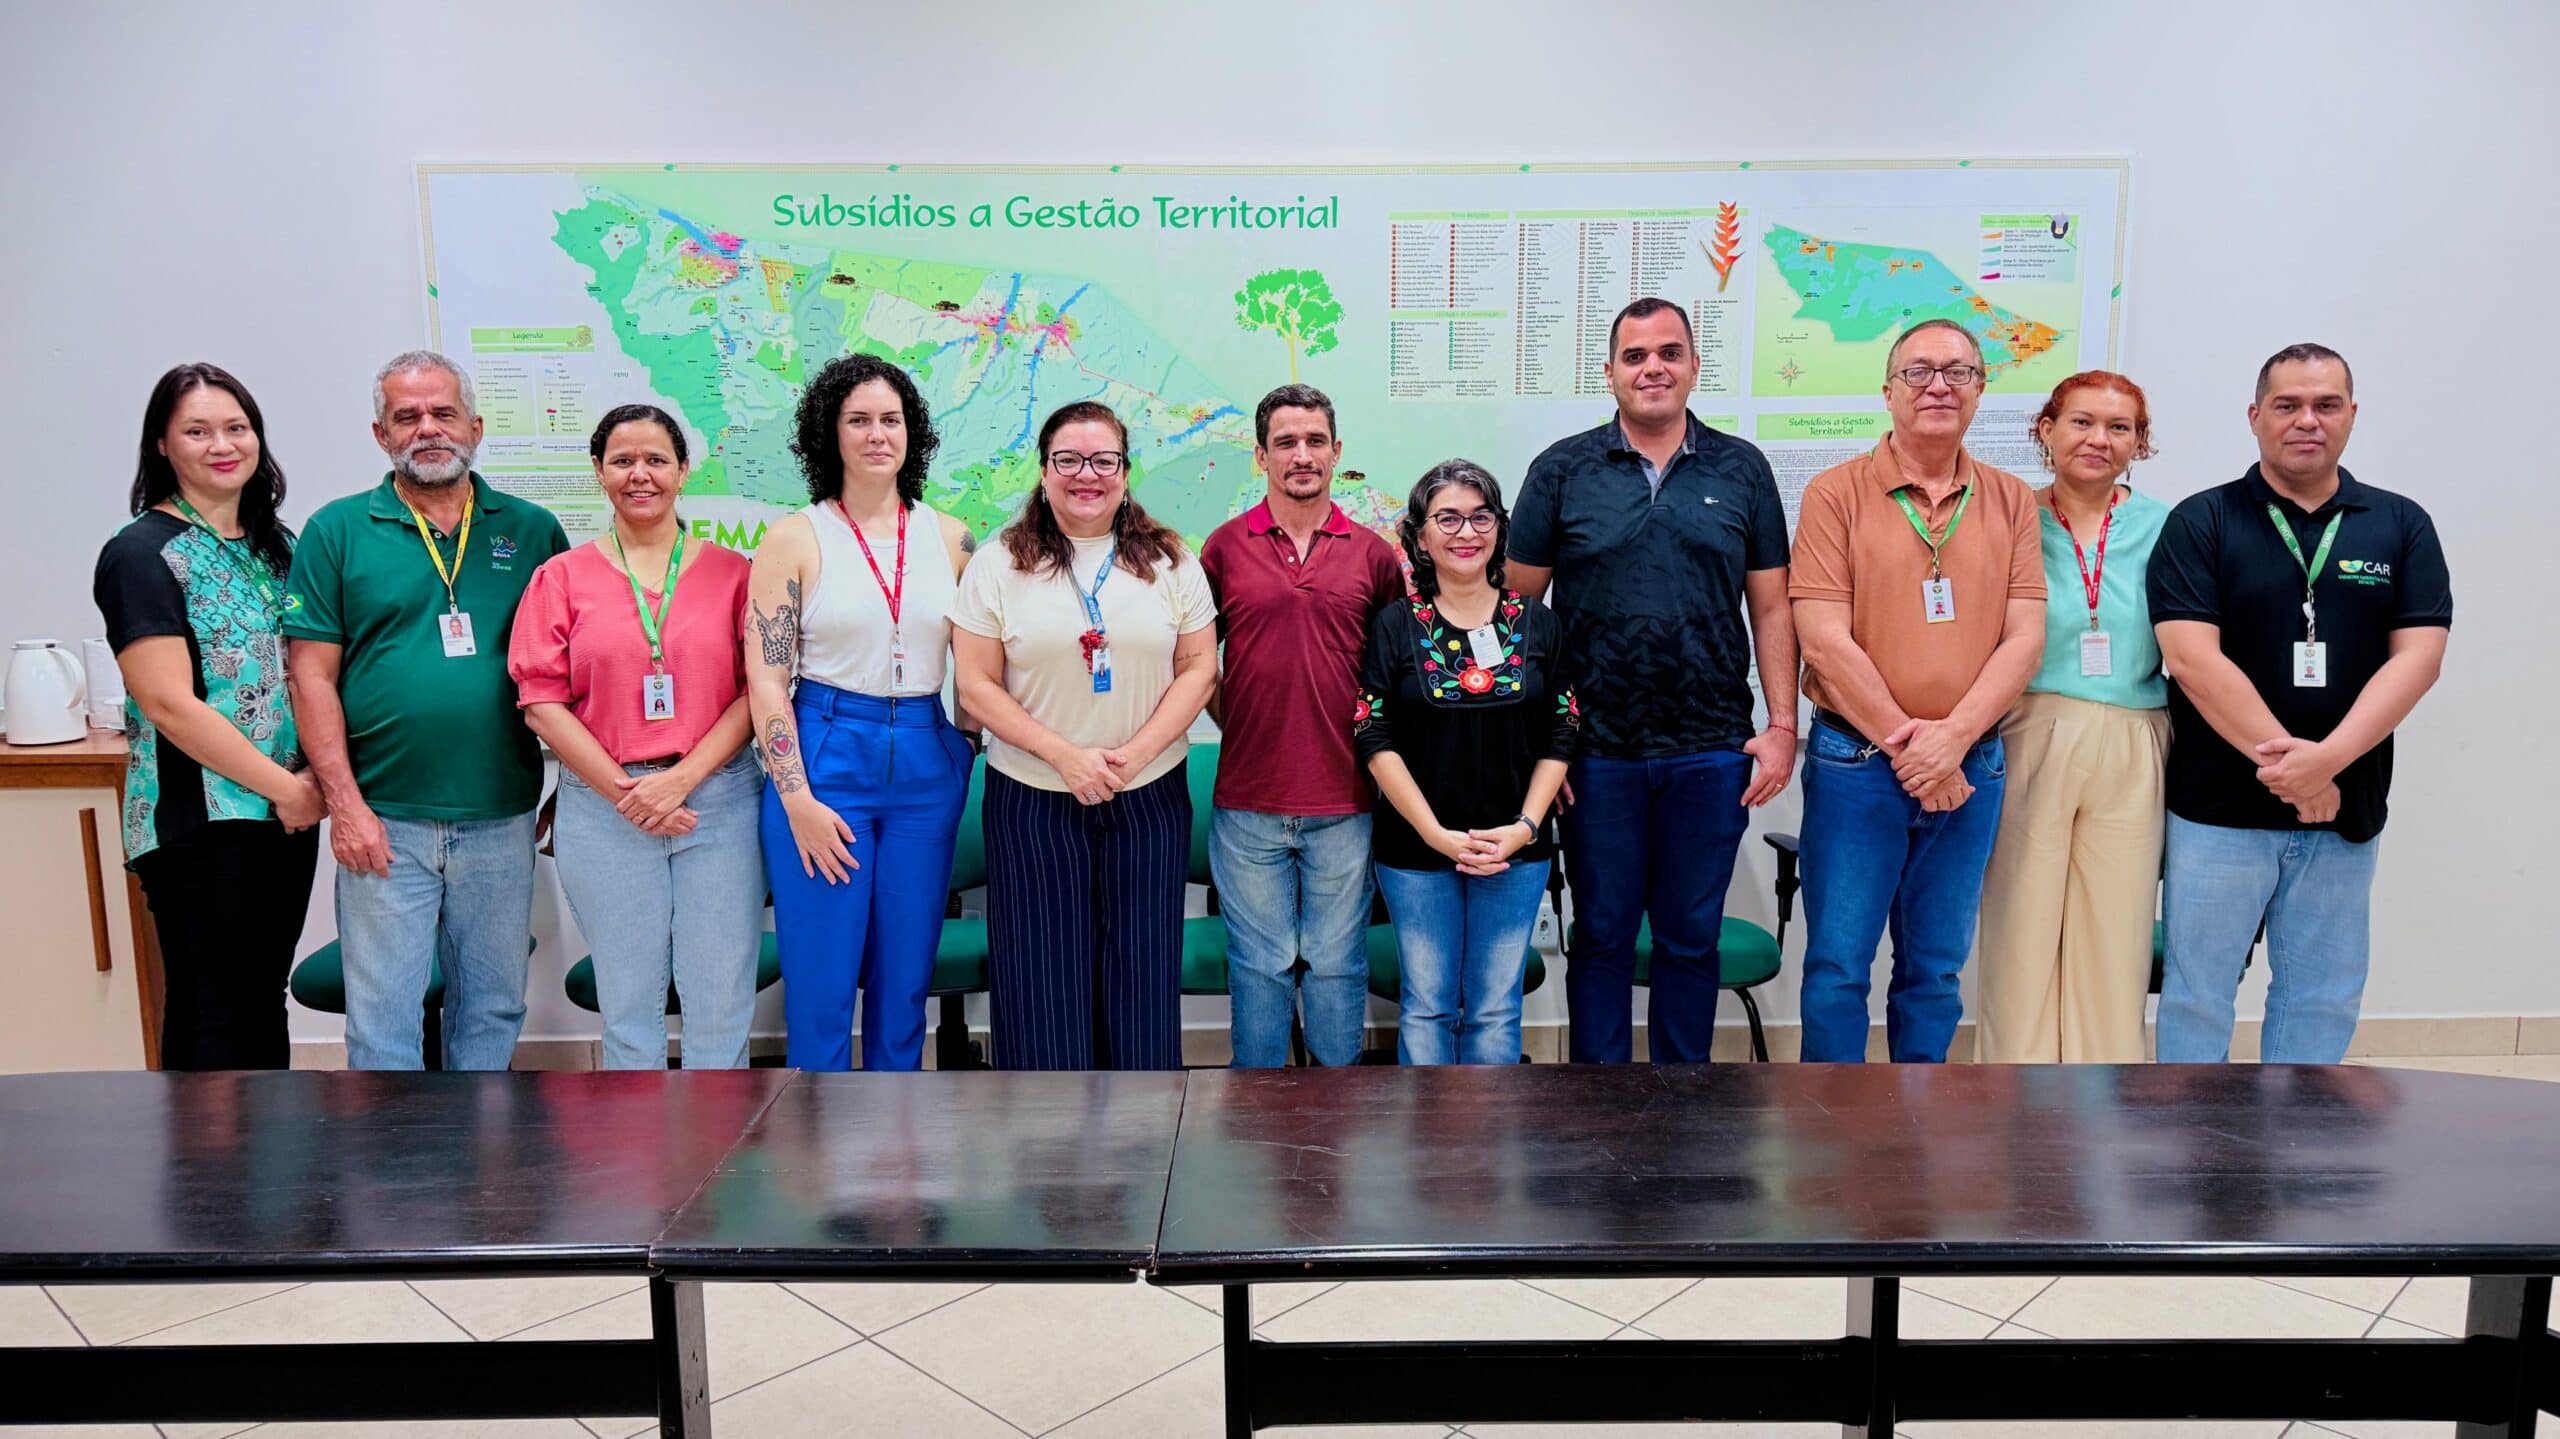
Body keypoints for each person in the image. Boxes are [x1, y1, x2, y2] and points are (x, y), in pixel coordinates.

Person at [1508, 297, 1796, 1065]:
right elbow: (1515, 615)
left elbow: (1771, 609)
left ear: (1695, 366)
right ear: (1610, 373)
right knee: (1599, 934)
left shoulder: (1742, 469)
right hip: (1595, 753)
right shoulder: (1562, 470)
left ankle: (1681, 1105)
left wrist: (1781, 728)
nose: (1653, 368)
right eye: (1635, 356)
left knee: (1689, 938)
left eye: (1669, 352)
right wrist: (1542, 744)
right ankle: (1598, 1104)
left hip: (1710, 748)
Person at [2150, 343, 2451, 1063]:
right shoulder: (2203, 520)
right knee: (2198, 989)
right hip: (2218, 810)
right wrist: (2292, 767)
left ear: (2352, 416)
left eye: (2326, 404)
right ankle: (2196, 1159)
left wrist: (2328, 764)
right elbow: (2192, 657)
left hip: (2346, 808)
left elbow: (2419, 658)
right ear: (2255, 416)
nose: (2306, 420)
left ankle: (2295, 1157)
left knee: (2323, 992)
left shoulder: (2400, 524)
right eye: (2287, 405)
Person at [283, 350, 568, 1070]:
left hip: (500, 814)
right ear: (381, 434)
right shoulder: (337, 530)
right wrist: (344, 805)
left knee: (493, 1003)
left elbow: (570, 674)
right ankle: (393, 1182)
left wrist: (575, 790)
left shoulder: (532, 530)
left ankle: (478, 1167)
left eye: (442, 413)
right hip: (385, 818)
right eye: (406, 416)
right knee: (383, 1018)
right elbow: (309, 675)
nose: (427, 428)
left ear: (474, 425)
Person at [1789, 319, 2047, 1063]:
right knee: (1838, 967)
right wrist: (1914, 747)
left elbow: (2024, 638)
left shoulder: (2010, 501)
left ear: (1981, 389)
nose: (1939, 386)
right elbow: (1824, 640)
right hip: (1857, 764)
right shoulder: (1835, 493)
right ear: (1888, 390)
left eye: (1959, 372)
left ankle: (1919, 1135)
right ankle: (1832, 1138)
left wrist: (1954, 741)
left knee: (1934, 969)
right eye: (1919, 371)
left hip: (1974, 764)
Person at [950, 401, 1218, 1070]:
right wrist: (1066, 756)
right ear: (1044, 471)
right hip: (1033, 797)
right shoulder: (997, 563)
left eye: (1103, 460)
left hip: (1147, 794)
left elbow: (1198, 667)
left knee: (1141, 979)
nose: (1086, 475)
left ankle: (1144, 1146)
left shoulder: (1172, 559)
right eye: (1068, 460)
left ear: (1126, 472)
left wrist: (1135, 754)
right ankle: (1051, 1159)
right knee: (1041, 983)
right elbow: (976, 685)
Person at [509, 405, 759, 1069]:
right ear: (599, 472)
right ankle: (638, 1167)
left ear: (683, 469)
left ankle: (721, 1156)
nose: (639, 474)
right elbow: (541, 701)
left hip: (719, 801)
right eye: (622, 460)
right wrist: (628, 792)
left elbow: (755, 694)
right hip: (603, 805)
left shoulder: (738, 575)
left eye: (655, 459)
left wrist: (678, 781)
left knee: (719, 1000)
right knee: (628, 1008)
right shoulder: (559, 578)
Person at [747, 355, 977, 1072]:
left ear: (913, 433)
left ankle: (892, 1163)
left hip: (923, 760)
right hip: (823, 756)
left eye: (891, 419)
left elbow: (981, 661)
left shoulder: (953, 537)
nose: (878, 434)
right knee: (819, 988)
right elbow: (766, 677)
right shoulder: (795, 536)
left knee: (904, 985)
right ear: (830, 433)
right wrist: (796, 799)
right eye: (858, 420)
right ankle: (816, 1168)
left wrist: (963, 744)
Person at [94, 363, 325, 1069]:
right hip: (200, 821)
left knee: (261, 996)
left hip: (284, 815)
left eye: (236, 427)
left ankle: (273, 1174)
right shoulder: (141, 553)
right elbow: (168, 701)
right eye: (196, 430)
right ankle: (208, 1180)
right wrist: (288, 788)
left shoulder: (272, 546)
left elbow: (304, 670)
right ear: (162, 444)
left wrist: (312, 776)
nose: (222, 444)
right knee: (212, 1009)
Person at [1200, 384, 1406, 1068]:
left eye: (1315, 440)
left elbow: (1390, 680)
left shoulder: (1375, 557)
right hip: (1248, 802)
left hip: (1346, 800)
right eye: (1286, 442)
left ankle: (1333, 1121)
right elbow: (1200, 671)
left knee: (1336, 964)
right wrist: (1257, 727)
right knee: (1258, 966)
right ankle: (1260, 1117)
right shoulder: (1224, 549)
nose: (1302, 454)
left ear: (1337, 451)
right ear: (1261, 455)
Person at [1974, 372, 2172, 1063]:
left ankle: (2106, 1105)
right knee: (2020, 929)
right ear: (2046, 429)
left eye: (2120, 428)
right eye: (2082, 422)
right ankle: (2009, 1102)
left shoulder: (2165, 527)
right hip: (2030, 727)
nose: (2099, 439)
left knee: (2115, 936)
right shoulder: (2006, 517)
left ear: (2139, 444)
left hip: (2132, 734)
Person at [1355, 460, 1576, 1065]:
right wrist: (1435, 835)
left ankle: (1489, 1159)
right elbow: (1374, 736)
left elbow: (1563, 731)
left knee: (1495, 1007)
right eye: (1446, 518)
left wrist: (1525, 828)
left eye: (1481, 517)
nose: (1465, 532)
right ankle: (1430, 1158)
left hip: (1516, 851)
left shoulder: (1537, 622)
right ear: (1420, 535)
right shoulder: (1394, 626)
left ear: (1500, 529)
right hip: (1416, 851)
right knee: (1427, 1005)